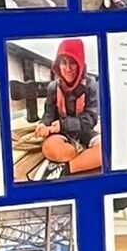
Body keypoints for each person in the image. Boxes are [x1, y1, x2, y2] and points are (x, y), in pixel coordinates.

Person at [33, 37, 103, 175]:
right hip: (60, 135)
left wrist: (63, 124)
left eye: (73, 63)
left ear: (80, 64)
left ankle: (66, 169)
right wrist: (43, 124)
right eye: (63, 63)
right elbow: (49, 114)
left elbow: (91, 119)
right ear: (58, 66)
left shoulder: (91, 85)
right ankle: (83, 158)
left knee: (106, 149)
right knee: (49, 148)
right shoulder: (53, 87)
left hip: (85, 132)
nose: (68, 69)